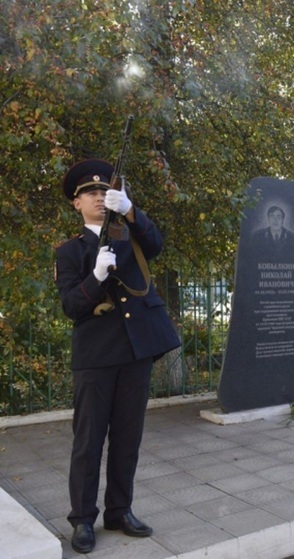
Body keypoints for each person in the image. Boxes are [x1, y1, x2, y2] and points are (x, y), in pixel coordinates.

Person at [55, 159, 181, 553]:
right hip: (95, 357)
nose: (97, 197)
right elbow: (72, 307)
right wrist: (95, 277)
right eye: (88, 193)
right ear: (76, 204)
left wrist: (129, 209)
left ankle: (119, 510)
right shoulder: (69, 252)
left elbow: (156, 244)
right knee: (88, 441)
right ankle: (82, 519)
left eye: (102, 191)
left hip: (134, 350)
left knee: (128, 438)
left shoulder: (129, 236)